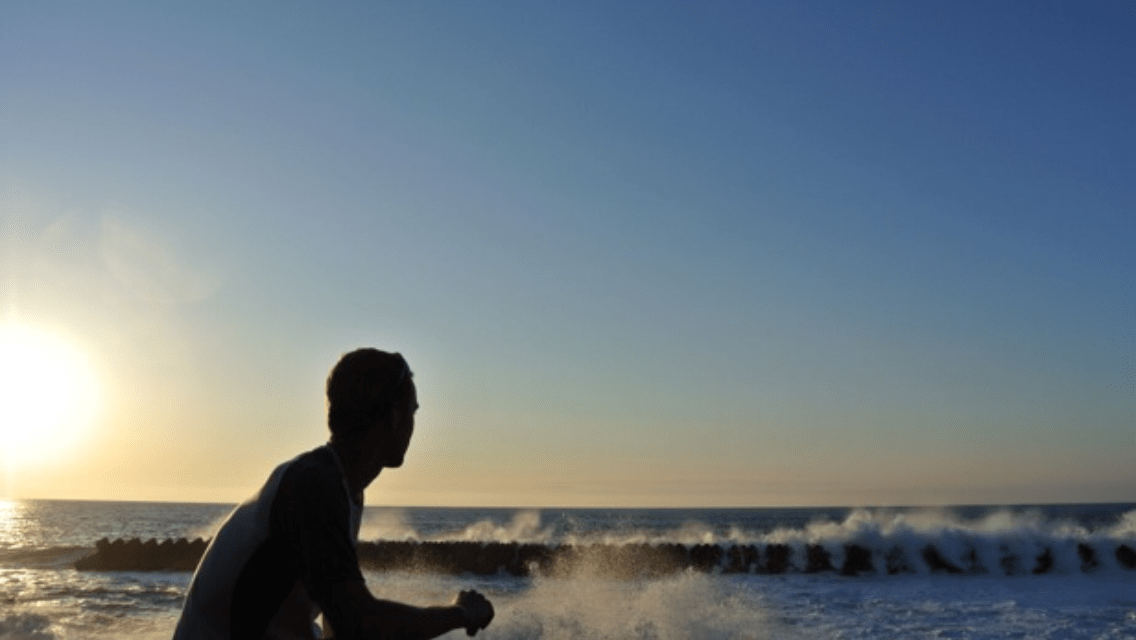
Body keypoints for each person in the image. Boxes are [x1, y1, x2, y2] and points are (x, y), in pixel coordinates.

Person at [173, 348, 494, 639]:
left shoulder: (340, 485)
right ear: (394, 417)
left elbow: (339, 622)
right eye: (413, 412)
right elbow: (358, 622)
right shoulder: (314, 485)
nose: (413, 425)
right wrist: (460, 613)